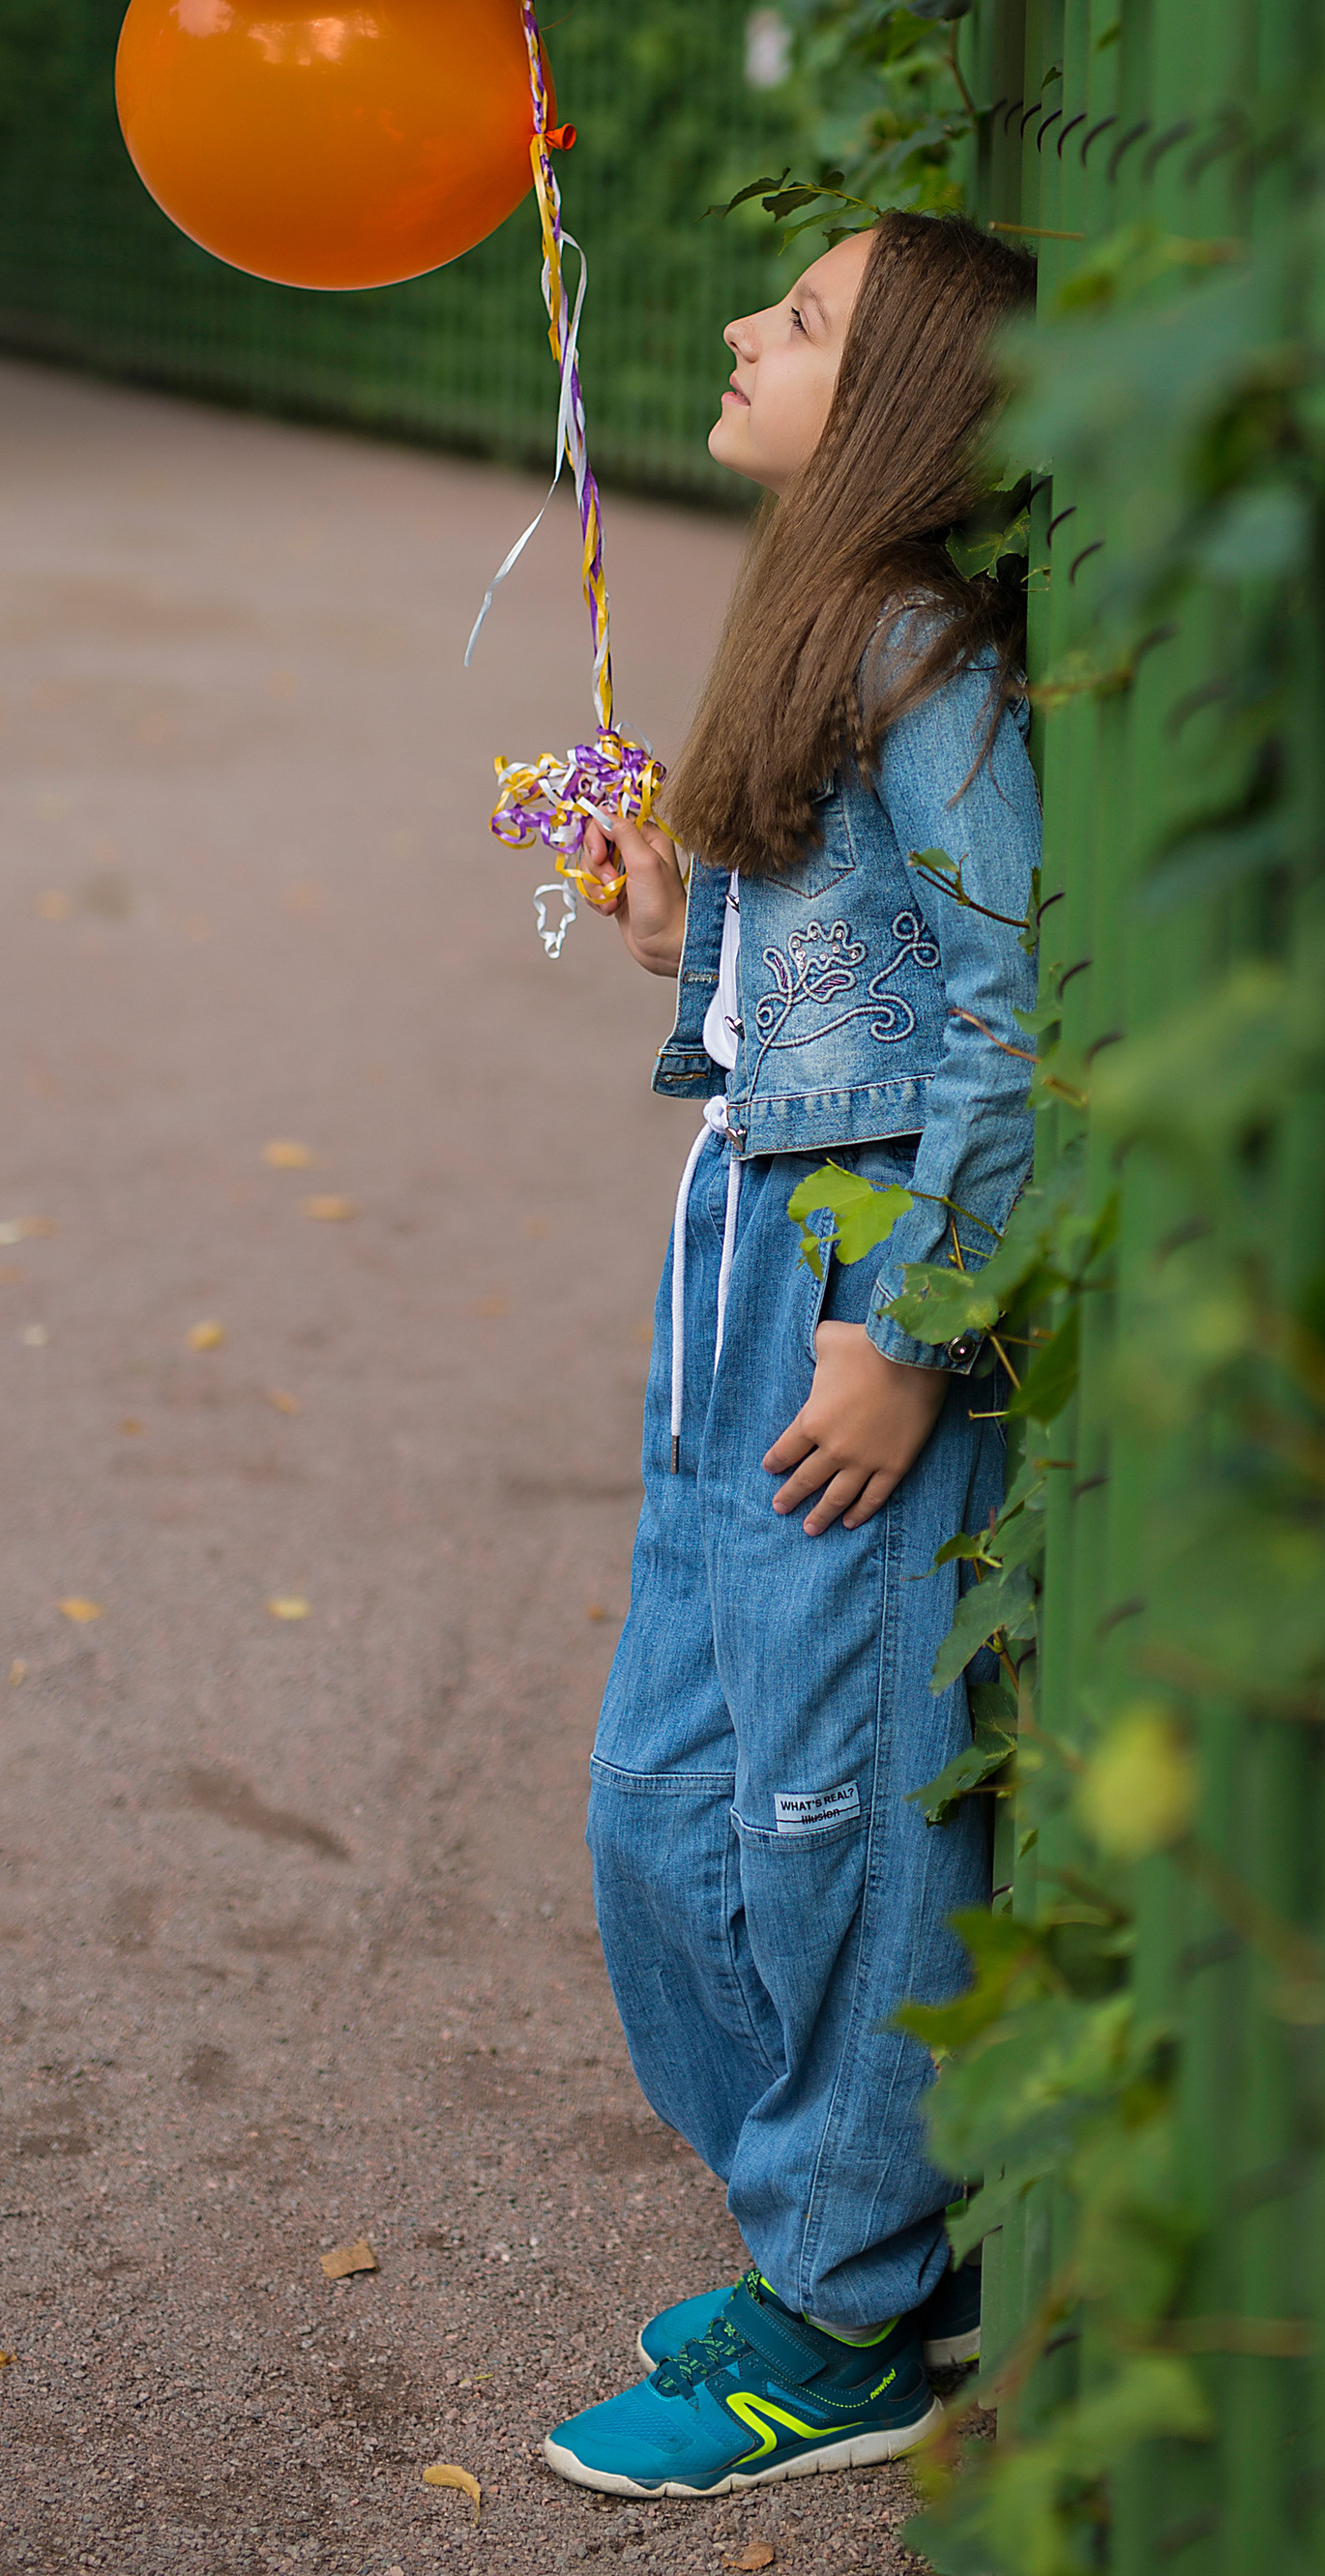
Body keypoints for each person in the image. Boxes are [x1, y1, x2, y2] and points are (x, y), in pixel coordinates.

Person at [540, 209, 1040, 2503]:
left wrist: (911, 1330)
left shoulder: (920, 649)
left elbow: (1005, 1013)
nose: (746, 324)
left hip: (853, 1286)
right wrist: (679, 926)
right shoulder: (818, 617)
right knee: (665, 1800)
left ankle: (847, 2318)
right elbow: (820, 984)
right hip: (741, 1260)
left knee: (827, 1797)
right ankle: (846, 2231)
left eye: (806, 317)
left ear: (901, 405)